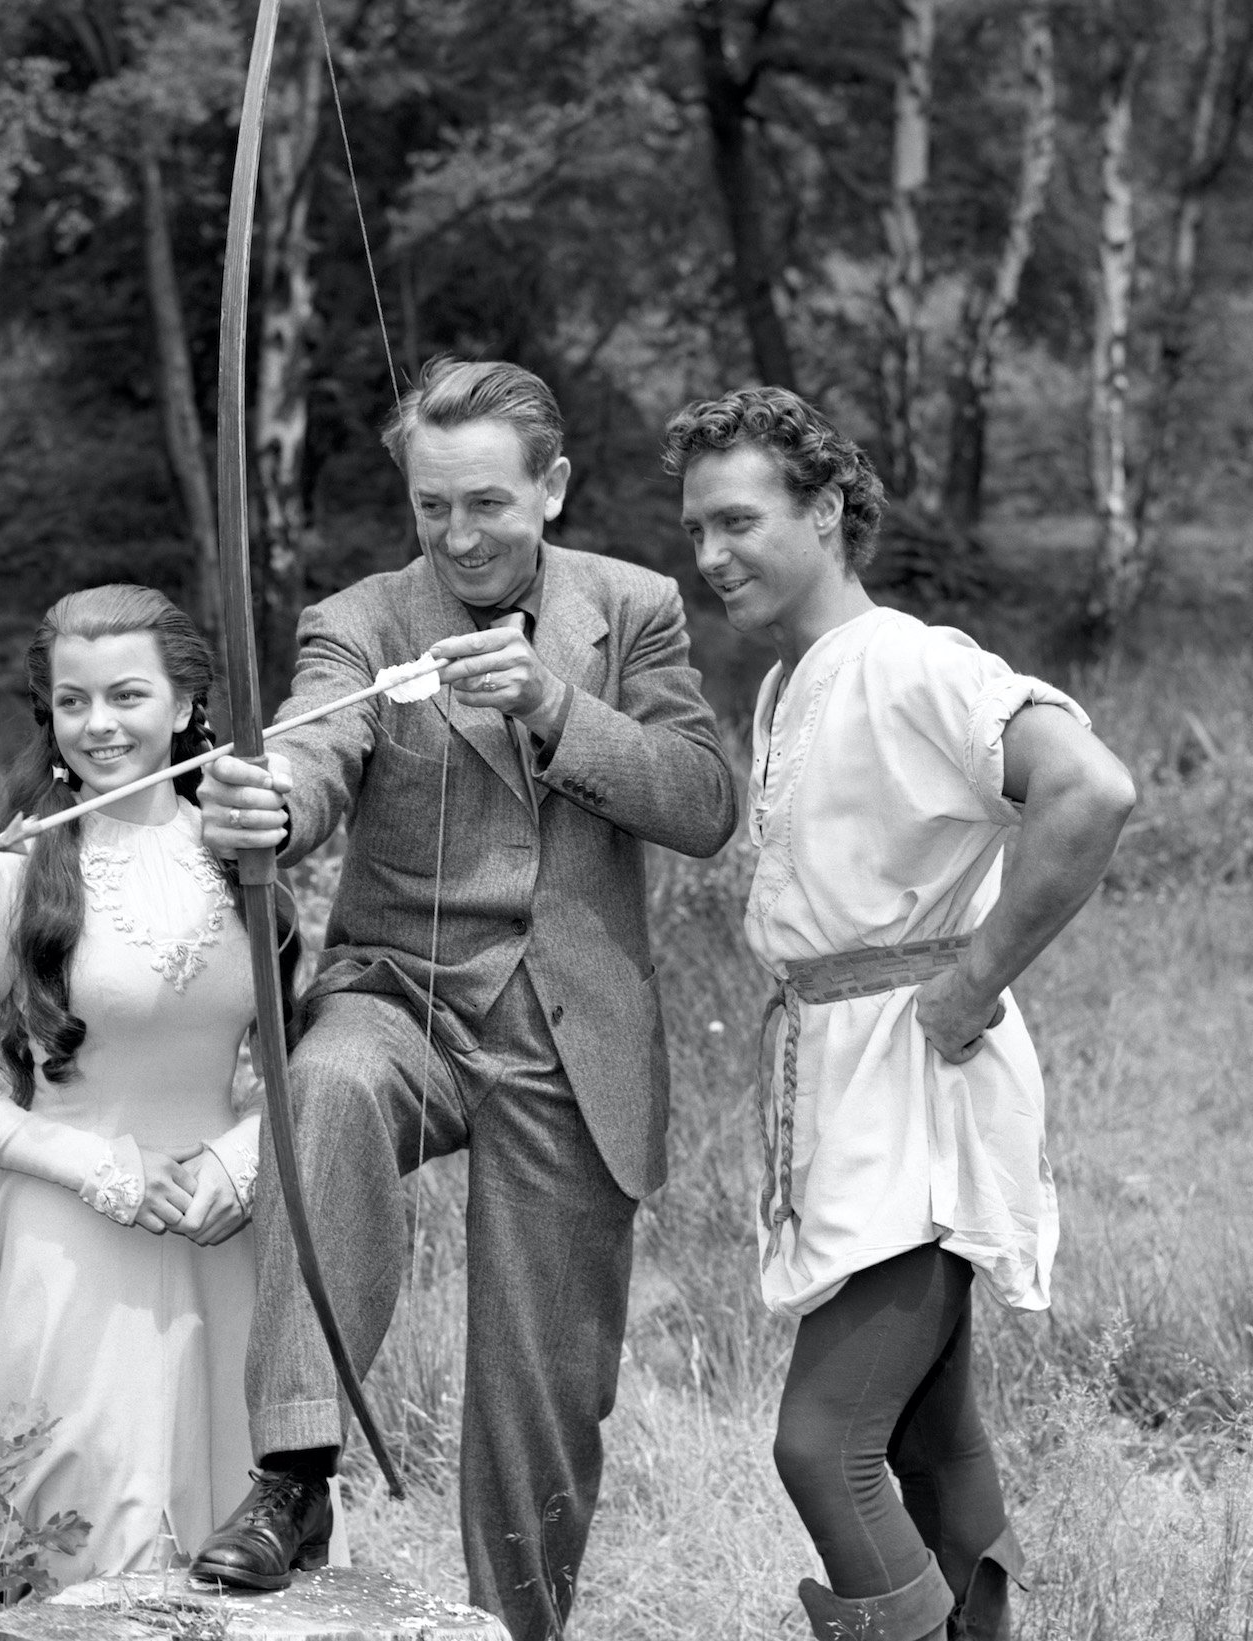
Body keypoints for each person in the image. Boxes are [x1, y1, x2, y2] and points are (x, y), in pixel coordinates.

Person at [188, 357, 739, 1640]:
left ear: (551, 487)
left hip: (566, 1031)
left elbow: (700, 804)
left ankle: (517, 1623)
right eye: (431, 507)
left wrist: (553, 708)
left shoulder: (634, 608)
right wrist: (272, 805)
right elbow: (317, 741)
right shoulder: (362, 619)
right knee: (322, 1082)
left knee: (537, 1391)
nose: (457, 534)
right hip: (403, 998)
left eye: (486, 503)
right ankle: (293, 1474)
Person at [663, 388, 1135, 1641]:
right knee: (930, 1436)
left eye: (739, 520)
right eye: (696, 530)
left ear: (824, 512)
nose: (711, 556)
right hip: (847, 1078)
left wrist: (972, 982)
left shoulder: (904, 661)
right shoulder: (789, 683)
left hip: (914, 1084)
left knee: (822, 1447)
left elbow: (1087, 790)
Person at [0, 584, 323, 1581]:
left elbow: (311, 1069)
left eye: (126, 696)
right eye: (71, 700)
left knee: (225, 1549)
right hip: (71, 1241)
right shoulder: (12, 871)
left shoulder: (248, 854)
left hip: (225, 1233)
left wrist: (241, 1154)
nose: (97, 724)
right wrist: (96, 1167)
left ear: (183, 706)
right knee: (89, 1545)